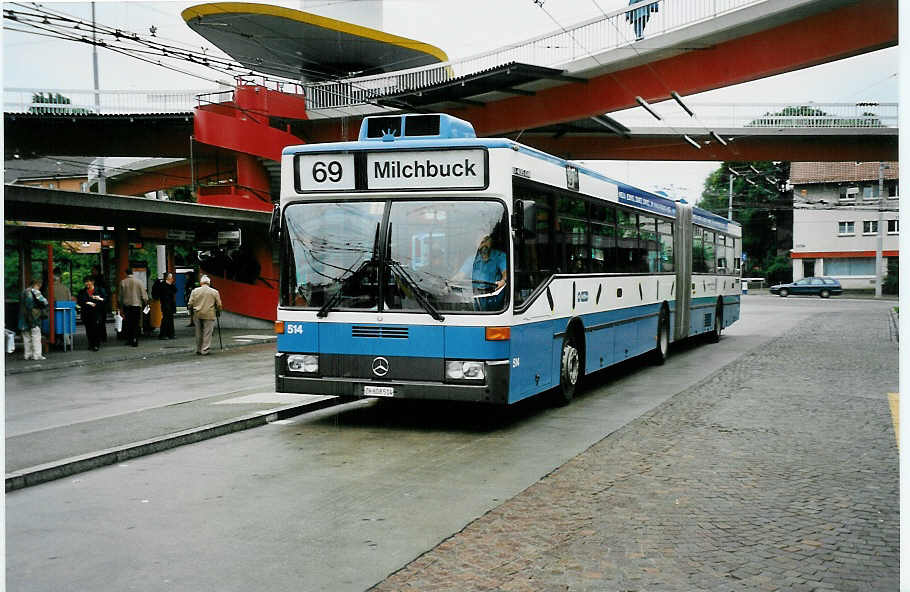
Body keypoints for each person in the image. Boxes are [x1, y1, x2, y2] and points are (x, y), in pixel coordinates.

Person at [187, 275, 222, 356]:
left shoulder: (195, 291)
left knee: (198, 332)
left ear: (201, 282)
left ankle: (198, 349)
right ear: (209, 283)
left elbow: (190, 303)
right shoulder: (214, 292)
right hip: (209, 314)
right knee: (207, 332)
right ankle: (205, 349)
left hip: (197, 314)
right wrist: (218, 311)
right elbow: (219, 304)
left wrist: (191, 310)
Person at [18, 277, 48, 360]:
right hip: (33, 318)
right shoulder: (36, 292)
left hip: (23, 318)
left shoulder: (24, 292)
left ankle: (27, 355)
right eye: (39, 285)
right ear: (37, 285)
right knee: (36, 336)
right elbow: (45, 302)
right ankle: (37, 355)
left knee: (26, 337)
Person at [118, 267, 147, 347]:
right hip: (137, 305)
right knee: (136, 323)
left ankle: (129, 339)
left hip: (127, 306)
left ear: (126, 273)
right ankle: (135, 339)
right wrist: (146, 302)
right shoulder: (139, 282)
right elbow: (144, 295)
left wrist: (120, 306)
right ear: (133, 273)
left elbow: (120, 296)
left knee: (128, 323)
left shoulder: (123, 282)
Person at [76, 277, 105, 351]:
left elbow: (104, 300)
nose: (87, 283)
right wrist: (88, 303)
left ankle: (96, 345)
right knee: (88, 329)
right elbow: (80, 301)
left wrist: (97, 303)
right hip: (86, 313)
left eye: (88, 281)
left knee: (96, 329)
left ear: (93, 282)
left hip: (97, 313)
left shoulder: (100, 290)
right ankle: (90, 344)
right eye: (85, 282)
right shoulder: (82, 291)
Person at [90, 265, 109, 342]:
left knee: (97, 321)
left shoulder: (97, 281)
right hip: (102, 303)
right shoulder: (103, 279)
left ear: (97, 271)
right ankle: (103, 336)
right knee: (101, 321)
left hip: (98, 303)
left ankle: (99, 337)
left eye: (93, 270)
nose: (92, 272)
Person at [157, 272, 177, 340]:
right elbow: (164, 294)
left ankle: (171, 334)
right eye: (171, 277)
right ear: (168, 278)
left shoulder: (170, 284)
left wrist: (171, 285)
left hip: (170, 304)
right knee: (165, 319)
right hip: (165, 304)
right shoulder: (162, 285)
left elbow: (175, 290)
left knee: (170, 319)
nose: (172, 279)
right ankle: (163, 334)